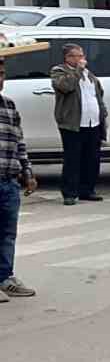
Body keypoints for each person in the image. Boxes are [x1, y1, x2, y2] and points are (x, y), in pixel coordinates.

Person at [0, 55, 39, 301]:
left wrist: (27, 172)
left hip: (8, 181)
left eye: (2, 74)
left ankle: (5, 277)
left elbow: (19, 143)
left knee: (7, 233)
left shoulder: (9, 106)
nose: (0, 78)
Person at [51, 44, 107, 207]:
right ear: (67, 57)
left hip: (93, 122)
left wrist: (103, 114)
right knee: (72, 159)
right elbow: (65, 87)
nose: (81, 59)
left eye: (81, 55)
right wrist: (77, 71)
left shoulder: (89, 75)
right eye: (76, 56)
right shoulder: (59, 71)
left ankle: (87, 190)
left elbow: (97, 95)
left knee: (91, 158)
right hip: (73, 123)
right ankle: (69, 193)